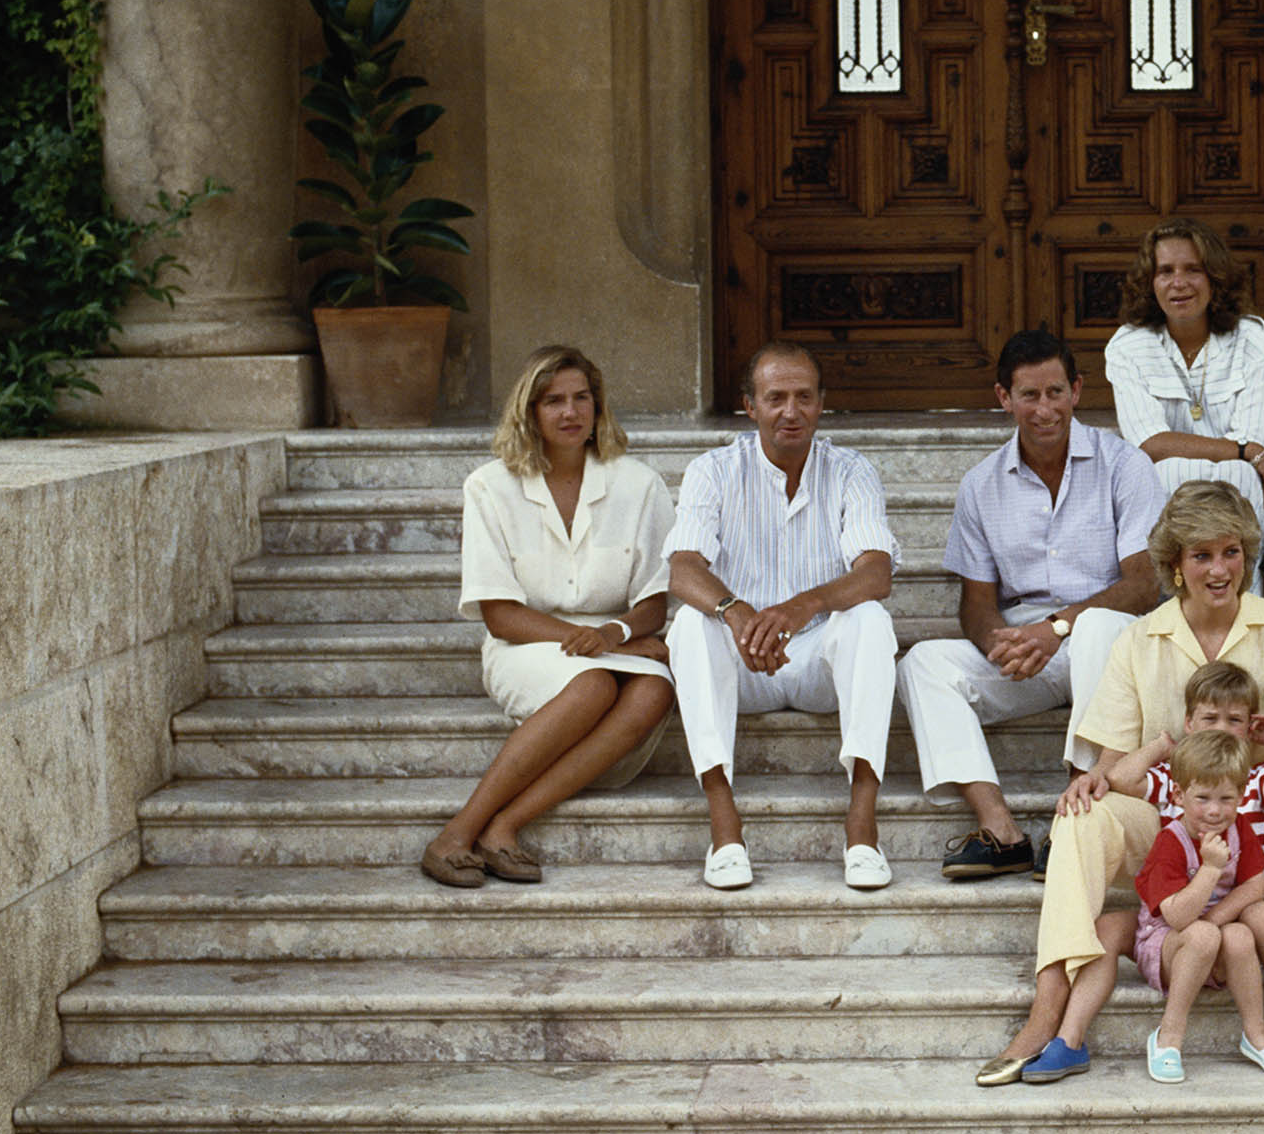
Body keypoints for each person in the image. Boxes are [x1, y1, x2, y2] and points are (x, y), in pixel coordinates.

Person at [976, 479, 1264, 1088]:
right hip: (1171, 831)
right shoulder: (1138, 638)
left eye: (1231, 553)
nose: (1219, 569)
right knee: (1079, 817)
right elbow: (1116, 766)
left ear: (1248, 558)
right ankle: (1045, 1015)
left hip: (1263, 822)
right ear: (1176, 565)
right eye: (1201, 555)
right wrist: (1089, 782)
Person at [896, 329, 1166, 880]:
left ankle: (1077, 812)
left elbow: (1143, 585)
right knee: (920, 663)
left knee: (1097, 629)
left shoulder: (1125, 465)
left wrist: (1057, 627)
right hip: (1031, 649)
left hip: (1109, 648)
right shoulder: (981, 484)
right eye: (1029, 395)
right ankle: (1001, 831)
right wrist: (1003, 644)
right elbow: (975, 605)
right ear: (1004, 398)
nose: (1045, 409)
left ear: (1077, 390)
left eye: (1055, 392)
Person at [422, 345, 677, 888]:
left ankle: (504, 828)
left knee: (654, 691)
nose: (570, 412)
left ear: (598, 406)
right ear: (530, 412)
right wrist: (606, 646)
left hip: (614, 642)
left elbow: (657, 597)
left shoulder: (639, 485)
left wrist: (616, 633)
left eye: (581, 397)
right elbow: (500, 616)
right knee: (591, 688)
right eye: (553, 400)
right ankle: (455, 834)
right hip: (527, 645)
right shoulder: (490, 487)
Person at [1021, 661, 1264, 1085]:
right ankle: (1134, 1037)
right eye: (1210, 718)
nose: (1214, 809)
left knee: (1256, 920)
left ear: (1239, 795)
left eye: (1235, 719)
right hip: (1178, 926)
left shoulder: (1246, 788)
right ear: (1182, 793)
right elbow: (1120, 778)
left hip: (1221, 922)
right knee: (1144, 931)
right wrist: (1160, 747)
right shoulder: (1174, 796)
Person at [663, 342, 901, 891]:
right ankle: (725, 829)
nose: (789, 412)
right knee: (690, 624)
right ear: (750, 406)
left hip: (820, 663)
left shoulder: (851, 471)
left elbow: (877, 573)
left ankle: (862, 828)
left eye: (803, 397)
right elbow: (682, 569)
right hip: (744, 658)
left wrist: (803, 606)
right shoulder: (714, 470)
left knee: (871, 621)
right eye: (775, 398)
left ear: (822, 404)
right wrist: (735, 611)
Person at [1102, 218, 1264, 518]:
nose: (1179, 283)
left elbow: (1257, 439)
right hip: (1165, 499)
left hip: (1236, 490)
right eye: (1165, 271)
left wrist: (1245, 454)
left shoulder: (1253, 340)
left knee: (1238, 476)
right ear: (1150, 282)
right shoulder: (1128, 346)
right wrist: (1244, 451)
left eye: (1193, 269)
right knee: (1162, 474)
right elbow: (1149, 445)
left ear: (1215, 277)